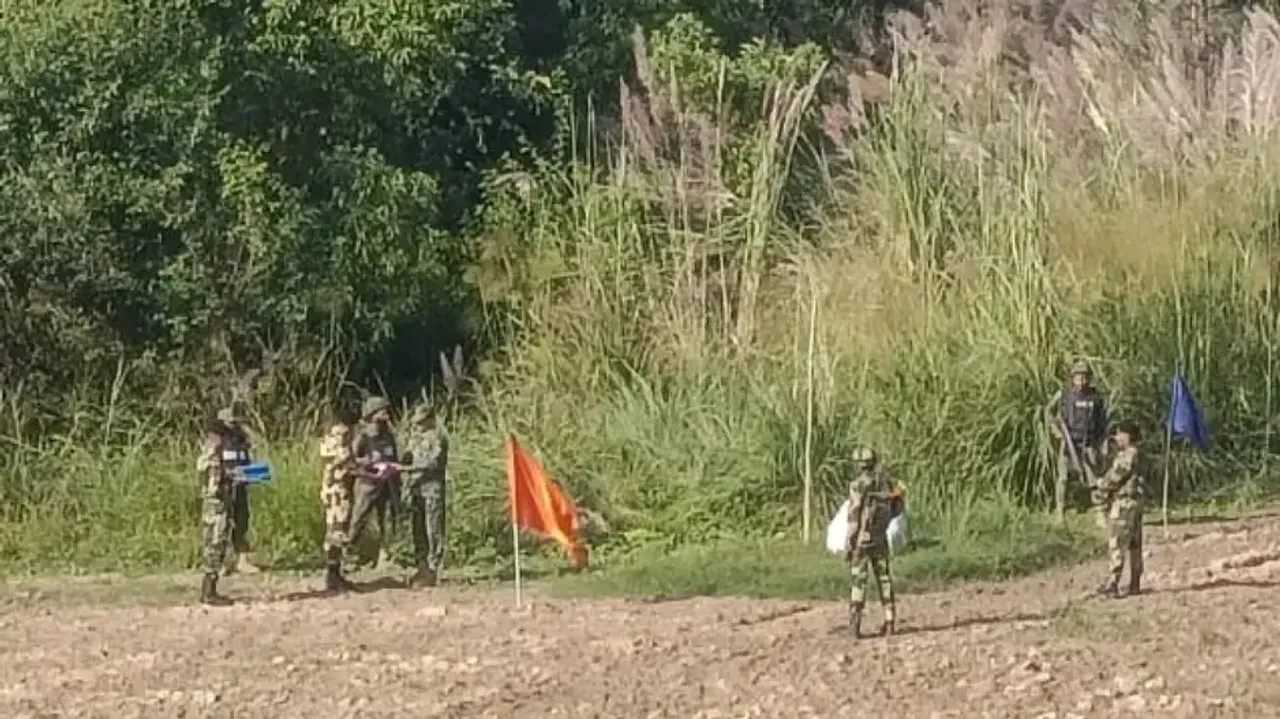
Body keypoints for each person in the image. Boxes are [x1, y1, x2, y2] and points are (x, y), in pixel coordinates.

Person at [1044, 358, 1108, 523]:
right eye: (1078, 376)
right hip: (1068, 442)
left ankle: (1099, 512)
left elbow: (1102, 421)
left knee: (1094, 479)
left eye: (1085, 376)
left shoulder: (1096, 397)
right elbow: (1048, 412)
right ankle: (1060, 512)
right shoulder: (1064, 394)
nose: (1081, 380)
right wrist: (1056, 431)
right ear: (1072, 378)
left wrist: (1102, 441)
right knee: (1063, 478)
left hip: (1089, 443)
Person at [844, 447, 896, 639]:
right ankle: (890, 621)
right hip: (880, 537)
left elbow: (854, 518)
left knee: (859, 581)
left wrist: (849, 542)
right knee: (884, 578)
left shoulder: (858, 485)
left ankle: (854, 626)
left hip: (863, 540)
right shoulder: (886, 484)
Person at [1092, 421, 1146, 598]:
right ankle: (1135, 583)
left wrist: (1100, 485)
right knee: (1135, 544)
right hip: (1136, 503)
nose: (1116, 438)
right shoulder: (1139, 454)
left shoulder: (1128, 455)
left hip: (1124, 504)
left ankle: (1113, 584)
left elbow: (1115, 478)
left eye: (1119, 434)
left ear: (1127, 436)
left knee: (1118, 542)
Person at [346, 396, 400, 571]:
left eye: (386, 409)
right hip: (367, 484)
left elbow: (394, 458)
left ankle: (386, 556)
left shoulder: (388, 435)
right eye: (380, 410)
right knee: (358, 520)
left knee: (387, 522)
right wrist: (368, 462)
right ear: (371, 414)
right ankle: (349, 557)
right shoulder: (363, 436)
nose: (385, 413)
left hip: (387, 484)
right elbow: (351, 461)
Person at [400, 403, 449, 588]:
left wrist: (408, 468)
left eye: (421, 422)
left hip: (432, 489)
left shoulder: (438, 438)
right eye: (416, 423)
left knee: (433, 529)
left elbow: (432, 463)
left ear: (430, 420)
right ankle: (421, 566)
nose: (418, 426)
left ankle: (434, 567)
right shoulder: (415, 438)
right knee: (417, 528)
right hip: (415, 489)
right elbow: (407, 456)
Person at [197, 415, 239, 605]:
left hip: (210, 504)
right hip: (217, 504)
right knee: (216, 544)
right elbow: (216, 483)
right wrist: (231, 478)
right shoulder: (215, 452)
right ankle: (209, 591)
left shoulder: (207, 450)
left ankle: (209, 588)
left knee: (212, 544)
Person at [319, 407, 360, 592]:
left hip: (331, 490)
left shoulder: (327, 438)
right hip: (339, 490)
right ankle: (333, 575)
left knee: (333, 530)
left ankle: (333, 574)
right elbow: (345, 462)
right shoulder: (341, 438)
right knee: (338, 531)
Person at [217, 405, 261, 575]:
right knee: (222, 525)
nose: (233, 426)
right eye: (230, 422)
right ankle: (222, 562)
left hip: (241, 486)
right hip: (224, 489)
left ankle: (242, 560)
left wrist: (252, 474)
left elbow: (249, 459)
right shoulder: (217, 441)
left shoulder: (241, 439)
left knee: (242, 521)